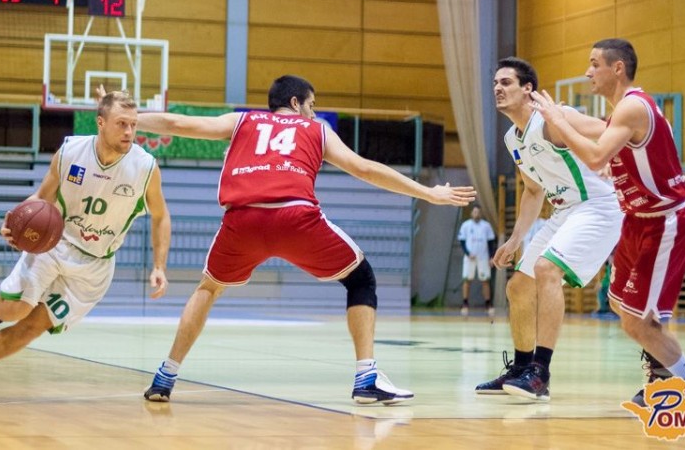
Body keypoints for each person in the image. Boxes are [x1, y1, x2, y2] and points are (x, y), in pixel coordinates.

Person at [135, 75, 476, 405]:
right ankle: (366, 378)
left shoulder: (242, 121)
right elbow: (364, 168)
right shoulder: (317, 129)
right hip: (295, 217)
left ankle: (166, 375)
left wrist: (129, 119)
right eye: (311, 105)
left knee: (208, 289)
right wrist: (428, 193)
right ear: (296, 102)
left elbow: (177, 123)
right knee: (361, 279)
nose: (313, 113)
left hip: (243, 220)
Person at [0, 90, 172, 400]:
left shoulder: (145, 168)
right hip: (55, 244)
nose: (129, 131)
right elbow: (41, 197)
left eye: (133, 124)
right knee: (16, 309)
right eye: (122, 124)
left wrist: (159, 266)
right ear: (101, 123)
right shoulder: (71, 152)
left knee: (32, 327)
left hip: (95, 266)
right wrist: (15, 220)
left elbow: (160, 216)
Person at [529, 38, 685, 408]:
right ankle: (663, 372)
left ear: (617, 68)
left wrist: (557, 120)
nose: (587, 72)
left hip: (664, 222)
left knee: (635, 320)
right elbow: (642, 152)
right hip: (636, 220)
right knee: (620, 305)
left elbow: (596, 158)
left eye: (594, 63)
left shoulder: (632, 106)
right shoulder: (623, 113)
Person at [477, 57, 622, 402]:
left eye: (506, 83)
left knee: (546, 269)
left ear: (528, 89)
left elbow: (610, 129)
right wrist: (515, 238)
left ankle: (540, 373)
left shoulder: (553, 119)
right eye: (495, 83)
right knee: (518, 288)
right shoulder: (512, 138)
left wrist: (614, 163)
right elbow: (532, 190)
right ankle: (521, 369)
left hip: (597, 206)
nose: (497, 88)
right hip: (564, 211)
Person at [457, 205, 496, 317]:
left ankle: (488, 304)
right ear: (471, 213)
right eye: (474, 212)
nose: (476, 214)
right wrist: (468, 253)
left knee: (485, 280)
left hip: (483, 257)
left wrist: (491, 257)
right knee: (467, 280)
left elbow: (491, 242)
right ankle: (465, 304)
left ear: (481, 213)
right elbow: (462, 241)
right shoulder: (466, 225)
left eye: (478, 212)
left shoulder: (486, 226)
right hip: (470, 258)